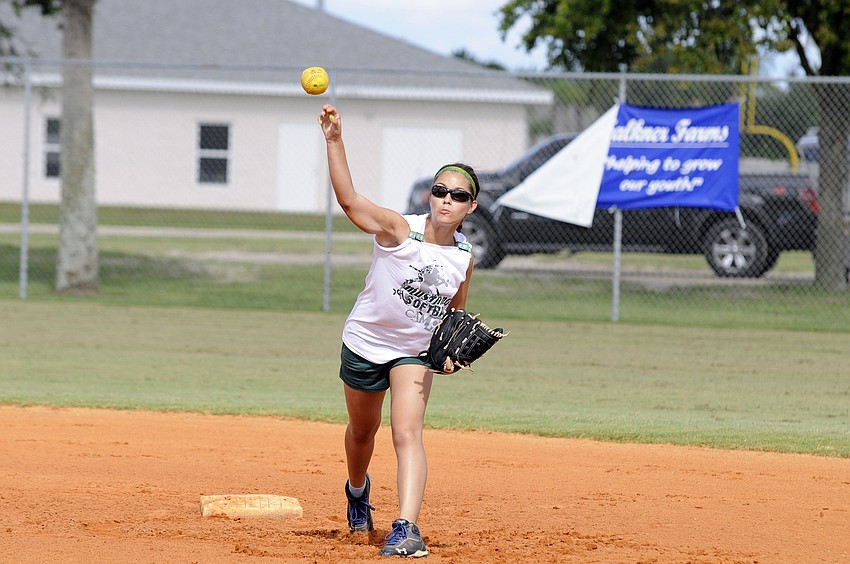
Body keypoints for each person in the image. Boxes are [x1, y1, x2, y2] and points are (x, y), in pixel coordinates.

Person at [318, 103, 479, 558]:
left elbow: (454, 313)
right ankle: (356, 490)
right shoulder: (398, 231)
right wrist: (334, 140)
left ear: (472, 206)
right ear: (430, 195)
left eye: (459, 195)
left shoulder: (464, 257)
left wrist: (448, 350)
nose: (447, 199)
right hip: (366, 342)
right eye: (440, 190)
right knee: (362, 431)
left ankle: (406, 527)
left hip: (412, 353)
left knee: (407, 432)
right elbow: (350, 201)